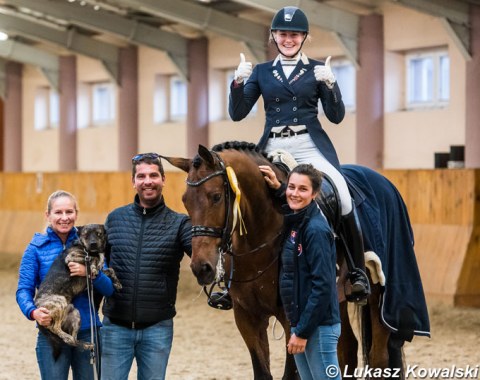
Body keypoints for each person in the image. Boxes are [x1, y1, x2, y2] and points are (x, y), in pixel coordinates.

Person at [229, 6, 369, 302]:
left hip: (309, 145)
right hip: (272, 147)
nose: (288, 39)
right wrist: (238, 83)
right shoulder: (262, 72)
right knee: (240, 195)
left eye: (294, 34)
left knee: (342, 192)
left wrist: (331, 84)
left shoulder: (317, 70)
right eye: (282, 33)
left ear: (304, 36)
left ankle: (356, 272)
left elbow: (336, 116)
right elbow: (238, 112)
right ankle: (229, 271)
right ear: (273, 36)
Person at [100, 153, 192, 380]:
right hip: (115, 327)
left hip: (157, 328)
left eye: (153, 175)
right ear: (133, 182)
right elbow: (101, 269)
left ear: (163, 179)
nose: (147, 181)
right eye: (141, 176)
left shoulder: (180, 223)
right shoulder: (115, 219)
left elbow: (203, 258)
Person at [16, 190, 115, 380]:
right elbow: (23, 290)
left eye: (69, 212)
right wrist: (33, 312)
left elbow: (109, 289)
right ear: (48, 215)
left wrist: (91, 274)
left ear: (76, 214)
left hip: (88, 332)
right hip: (51, 333)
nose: (64, 218)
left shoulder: (91, 243)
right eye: (58, 212)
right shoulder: (35, 249)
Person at [260, 163, 341, 380]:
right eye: (292, 187)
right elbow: (289, 208)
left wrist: (302, 332)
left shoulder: (315, 230)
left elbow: (323, 286)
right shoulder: (298, 221)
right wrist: (279, 189)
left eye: (302, 189)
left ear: (314, 194)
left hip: (318, 328)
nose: (295, 193)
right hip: (301, 325)